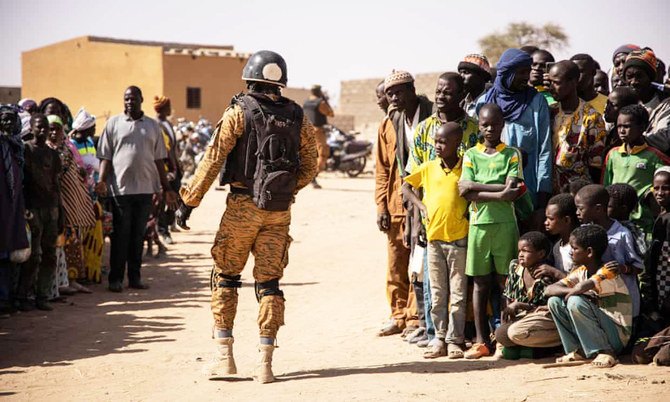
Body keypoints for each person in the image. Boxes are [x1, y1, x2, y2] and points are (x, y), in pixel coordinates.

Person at [175, 50, 317, 383]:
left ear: (250, 78)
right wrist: (285, 189)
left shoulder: (239, 112)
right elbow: (311, 165)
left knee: (225, 276)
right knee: (269, 284)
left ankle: (226, 360)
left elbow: (211, 160)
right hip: (279, 211)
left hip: (241, 206)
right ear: (280, 82)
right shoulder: (297, 115)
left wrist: (189, 202)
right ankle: (265, 365)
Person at [95, 86, 178, 292]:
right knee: (120, 236)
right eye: (126, 99)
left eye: (133, 99)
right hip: (120, 191)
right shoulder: (113, 123)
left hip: (145, 189)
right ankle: (115, 279)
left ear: (141, 100)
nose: (129, 102)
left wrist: (166, 188)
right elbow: (105, 156)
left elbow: (160, 159)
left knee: (138, 235)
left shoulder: (152, 126)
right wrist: (102, 181)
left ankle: (134, 277)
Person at [458, 104, 523, 359]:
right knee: (480, 283)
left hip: (505, 223)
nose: (489, 129)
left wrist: (475, 185)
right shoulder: (471, 155)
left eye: (494, 124)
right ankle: (481, 340)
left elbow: (512, 190)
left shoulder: (511, 154)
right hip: (478, 225)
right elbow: (465, 192)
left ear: (502, 124)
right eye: (484, 124)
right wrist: (498, 193)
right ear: (479, 126)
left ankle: (505, 340)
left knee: (505, 282)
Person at [403, 123, 469, 359]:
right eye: (436, 141)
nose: (437, 146)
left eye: (443, 142)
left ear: (457, 144)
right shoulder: (429, 167)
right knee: (438, 293)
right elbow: (406, 186)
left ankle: (455, 340)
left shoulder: (466, 168)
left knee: (458, 294)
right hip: (434, 240)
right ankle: (438, 339)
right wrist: (421, 206)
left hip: (459, 239)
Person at [376, 70, 430, 336]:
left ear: (412, 89)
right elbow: (382, 170)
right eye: (390, 93)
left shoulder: (431, 117)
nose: (394, 97)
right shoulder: (389, 122)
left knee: (419, 260)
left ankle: (415, 317)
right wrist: (381, 206)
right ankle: (398, 314)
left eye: (399, 91)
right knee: (396, 260)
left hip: (425, 200)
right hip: (396, 201)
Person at [545, 225, 631, 368]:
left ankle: (606, 351)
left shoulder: (608, 271)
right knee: (554, 301)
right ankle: (579, 351)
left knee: (575, 301)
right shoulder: (581, 271)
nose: (571, 252)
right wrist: (571, 292)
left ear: (589, 252)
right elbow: (549, 290)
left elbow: (582, 287)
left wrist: (575, 292)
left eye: (574, 248)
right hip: (600, 329)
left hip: (616, 335)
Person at [475, 48, 552, 209]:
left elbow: (544, 151)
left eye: (528, 72)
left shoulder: (536, 102)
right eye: (521, 72)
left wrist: (542, 196)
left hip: (527, 191)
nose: (527, 77)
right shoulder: (484, 103)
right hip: (491, 192)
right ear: (506, 73)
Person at [574, 184, 643, 319]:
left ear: (598, 209)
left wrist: (622, 268)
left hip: (624, 303)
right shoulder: (583, 232)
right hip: (598, 299)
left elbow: (639, 267)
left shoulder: (621, 234)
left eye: (580, 208)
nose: (577, 212)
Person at [16, 113, 62, 311]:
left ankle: (42, 295)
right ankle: (23, 295)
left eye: (45, 127)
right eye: (39, 127)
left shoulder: (53, 154)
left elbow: (56, 184)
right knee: (33, 255)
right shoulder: (25, 150)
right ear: (31, 128)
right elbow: (20, 184)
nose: (43, 131)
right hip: (32, 209)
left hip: (51, 209)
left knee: (50, 254)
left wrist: (61, 212)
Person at [46, 114, 95, 295]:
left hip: (73, 200)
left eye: (56, 129)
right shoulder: (47, 150)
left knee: (73, 240)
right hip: (59, 202)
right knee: (59, 243)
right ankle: (58, 284)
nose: (53, 133)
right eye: (50, 129)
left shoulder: (67, 147)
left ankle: (71, 279)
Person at [602, 104, 670, 233]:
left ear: (642, 127)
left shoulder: (653, 156)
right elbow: (606, 184)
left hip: (643, 221)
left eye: (627, 127)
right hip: (616, 220)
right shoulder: (613, 155)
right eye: (619, 126)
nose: (622, 131)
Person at [495, 231, 564, 358]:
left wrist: (522, 305)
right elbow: (508, 298)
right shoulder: (515, 267)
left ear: (541, 254)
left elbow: (543, 308)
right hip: (523, 317)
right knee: (502, 336)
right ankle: (528, 349)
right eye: (519, 251)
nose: (521, 255)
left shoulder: (545, 276)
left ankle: (552, 348)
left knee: (514, 334)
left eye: (526, 251)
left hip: (542, 318)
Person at [548, 60, 606, 191]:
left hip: (577, 193)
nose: (551, 87)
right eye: (550, 82)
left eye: (556, 83)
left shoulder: (591, 118)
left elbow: (595, 165)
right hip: (549, 192)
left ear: (574, 82)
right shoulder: (550, 112)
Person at [0, 105, 29, 313]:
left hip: (13, 209)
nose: (8, 123)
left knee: (11, 257)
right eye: (4, 119)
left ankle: (7, 298)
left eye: (11, 119)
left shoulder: (17, 147)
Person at [641, 167, 670, 331]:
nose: (659, 193)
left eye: (665, 188)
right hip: (660, 279)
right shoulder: (661, 216)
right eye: (656, 188)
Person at [153, 95, 182, 245]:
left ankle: (169, 222)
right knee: (162, 200)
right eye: (168, 106)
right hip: (162, 169)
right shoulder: (155, 124)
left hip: (174, 167)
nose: (171, 109)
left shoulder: (168, 123)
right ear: (163, 108)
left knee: (176, 197)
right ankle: (163, 231)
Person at [606, 183, 649, 262]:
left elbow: (645, 253)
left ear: (623, 209)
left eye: (608, 206)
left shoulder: (630, 230)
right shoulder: (605, 224)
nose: (604, 208)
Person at [303, 85, 334, 189]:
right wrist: (325, 100)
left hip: (306, 131)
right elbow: (331, 113)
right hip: (318, 131)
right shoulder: (320, 103)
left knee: (310, 155)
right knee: (323, 153)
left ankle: (311, 177)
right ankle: (313, 176)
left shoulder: (306, 102)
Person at [544, 193, 579, 273]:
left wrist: (555, 273)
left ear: (567, 220)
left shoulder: (578, 249)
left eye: (551, 219)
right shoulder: (557, 246)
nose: (546, 223)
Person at [603, 86, 639, 154]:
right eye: (607, 103)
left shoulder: (628, 136)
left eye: (612, 105)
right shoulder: (612, 132)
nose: (606, 108)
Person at [623, 48, 661, 114]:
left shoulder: (663, 105)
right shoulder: (622, 103)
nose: (633, 82)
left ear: (650, 78)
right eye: (629, 77)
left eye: (639, 76)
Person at [69, 107, 98, 193]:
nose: (95, 130)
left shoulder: (90, 143)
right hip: (79, 188)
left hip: (93, 188)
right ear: (86, 129)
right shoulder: (71, 145)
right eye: (93, 128)